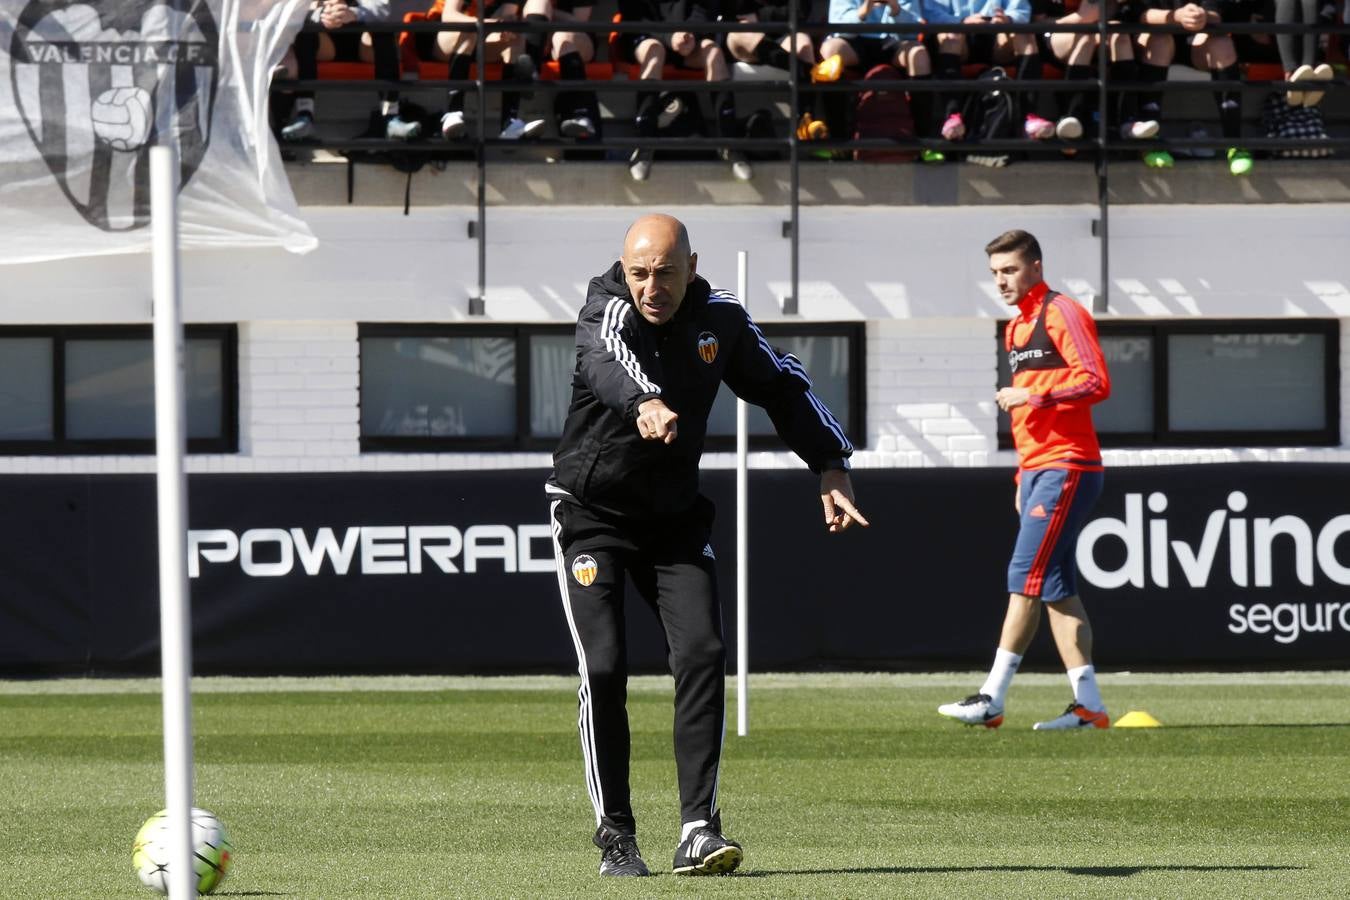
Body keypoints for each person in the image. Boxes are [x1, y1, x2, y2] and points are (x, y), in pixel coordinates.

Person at [547, 214, 867, 876]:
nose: (651, 287)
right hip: (591, 516)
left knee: (703, 653)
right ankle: (616, 836)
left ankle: (698, 828)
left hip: (673, 521)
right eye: (639, 273)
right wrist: (643, 403)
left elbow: (780, 383)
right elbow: (607, 361)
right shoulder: (603, 309)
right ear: (623, 268)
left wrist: (831, 464)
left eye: (665, 273)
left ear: (692, 267)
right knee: (603, 668)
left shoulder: (719, 318)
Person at [939, 229, 1112, 732]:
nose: (1002, 281)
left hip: (1069, 465)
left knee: (1025, 577)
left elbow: (1096, 380)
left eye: (1010, 270)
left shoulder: (1062, 312)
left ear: (1036, 266)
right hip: (1039, 469)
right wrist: (1022, 473)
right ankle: (1090, 708)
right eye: (995, 272)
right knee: (1056, 587)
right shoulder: (1016, 329)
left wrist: (1033, 396)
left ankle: (991, 699)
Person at [617, 0, 755, 181]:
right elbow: (635, 17)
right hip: (648, 36)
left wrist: (690, 34)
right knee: (654, 51)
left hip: (687, 38)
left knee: (712, 51)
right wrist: (669, 37)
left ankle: (729, 145)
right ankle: (644, 144)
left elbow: (705, 11)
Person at [1121, 0, 1253, 173]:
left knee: (1222, 44)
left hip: (1196, 37)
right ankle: (1151, 143)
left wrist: (1202, 16)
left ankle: (1235, 145)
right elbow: (1139, 12)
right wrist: (1177, 16)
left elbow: (1217, 12)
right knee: (1160, 39)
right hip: (1155, 36)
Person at [816, 0, 946, 162]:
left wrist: (895, 8)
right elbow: (839, 27)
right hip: (855, 39)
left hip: (893, 39)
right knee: (830, 51)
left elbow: (912, 31)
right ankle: (837, 141)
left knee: (918, 55)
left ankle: (924, 142)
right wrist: (865, 9)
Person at [278, 0, 423, 142]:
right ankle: (304, 115)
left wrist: (352, 13)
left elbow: (381, 9)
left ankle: (390, 116)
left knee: (383, 31)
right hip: (326, 41)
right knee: (306, 32)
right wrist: (322, 13)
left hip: (361, 39)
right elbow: (293, 9)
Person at [424, 0, 548, 140]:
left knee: (515, 37)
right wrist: (488, 24)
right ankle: (452, 113)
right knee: (470, 30)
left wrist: (505, 28)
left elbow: (507, 15)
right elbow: (449, 16)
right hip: (446, 35)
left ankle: (509, 124)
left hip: (483, 35)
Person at [519, 0, 604, 138]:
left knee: (562, 37)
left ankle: (579, 115)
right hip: (533, 38)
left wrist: (548, 13)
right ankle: (530, 74)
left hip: (573, 37)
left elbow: (578, 23)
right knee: (538, 3)